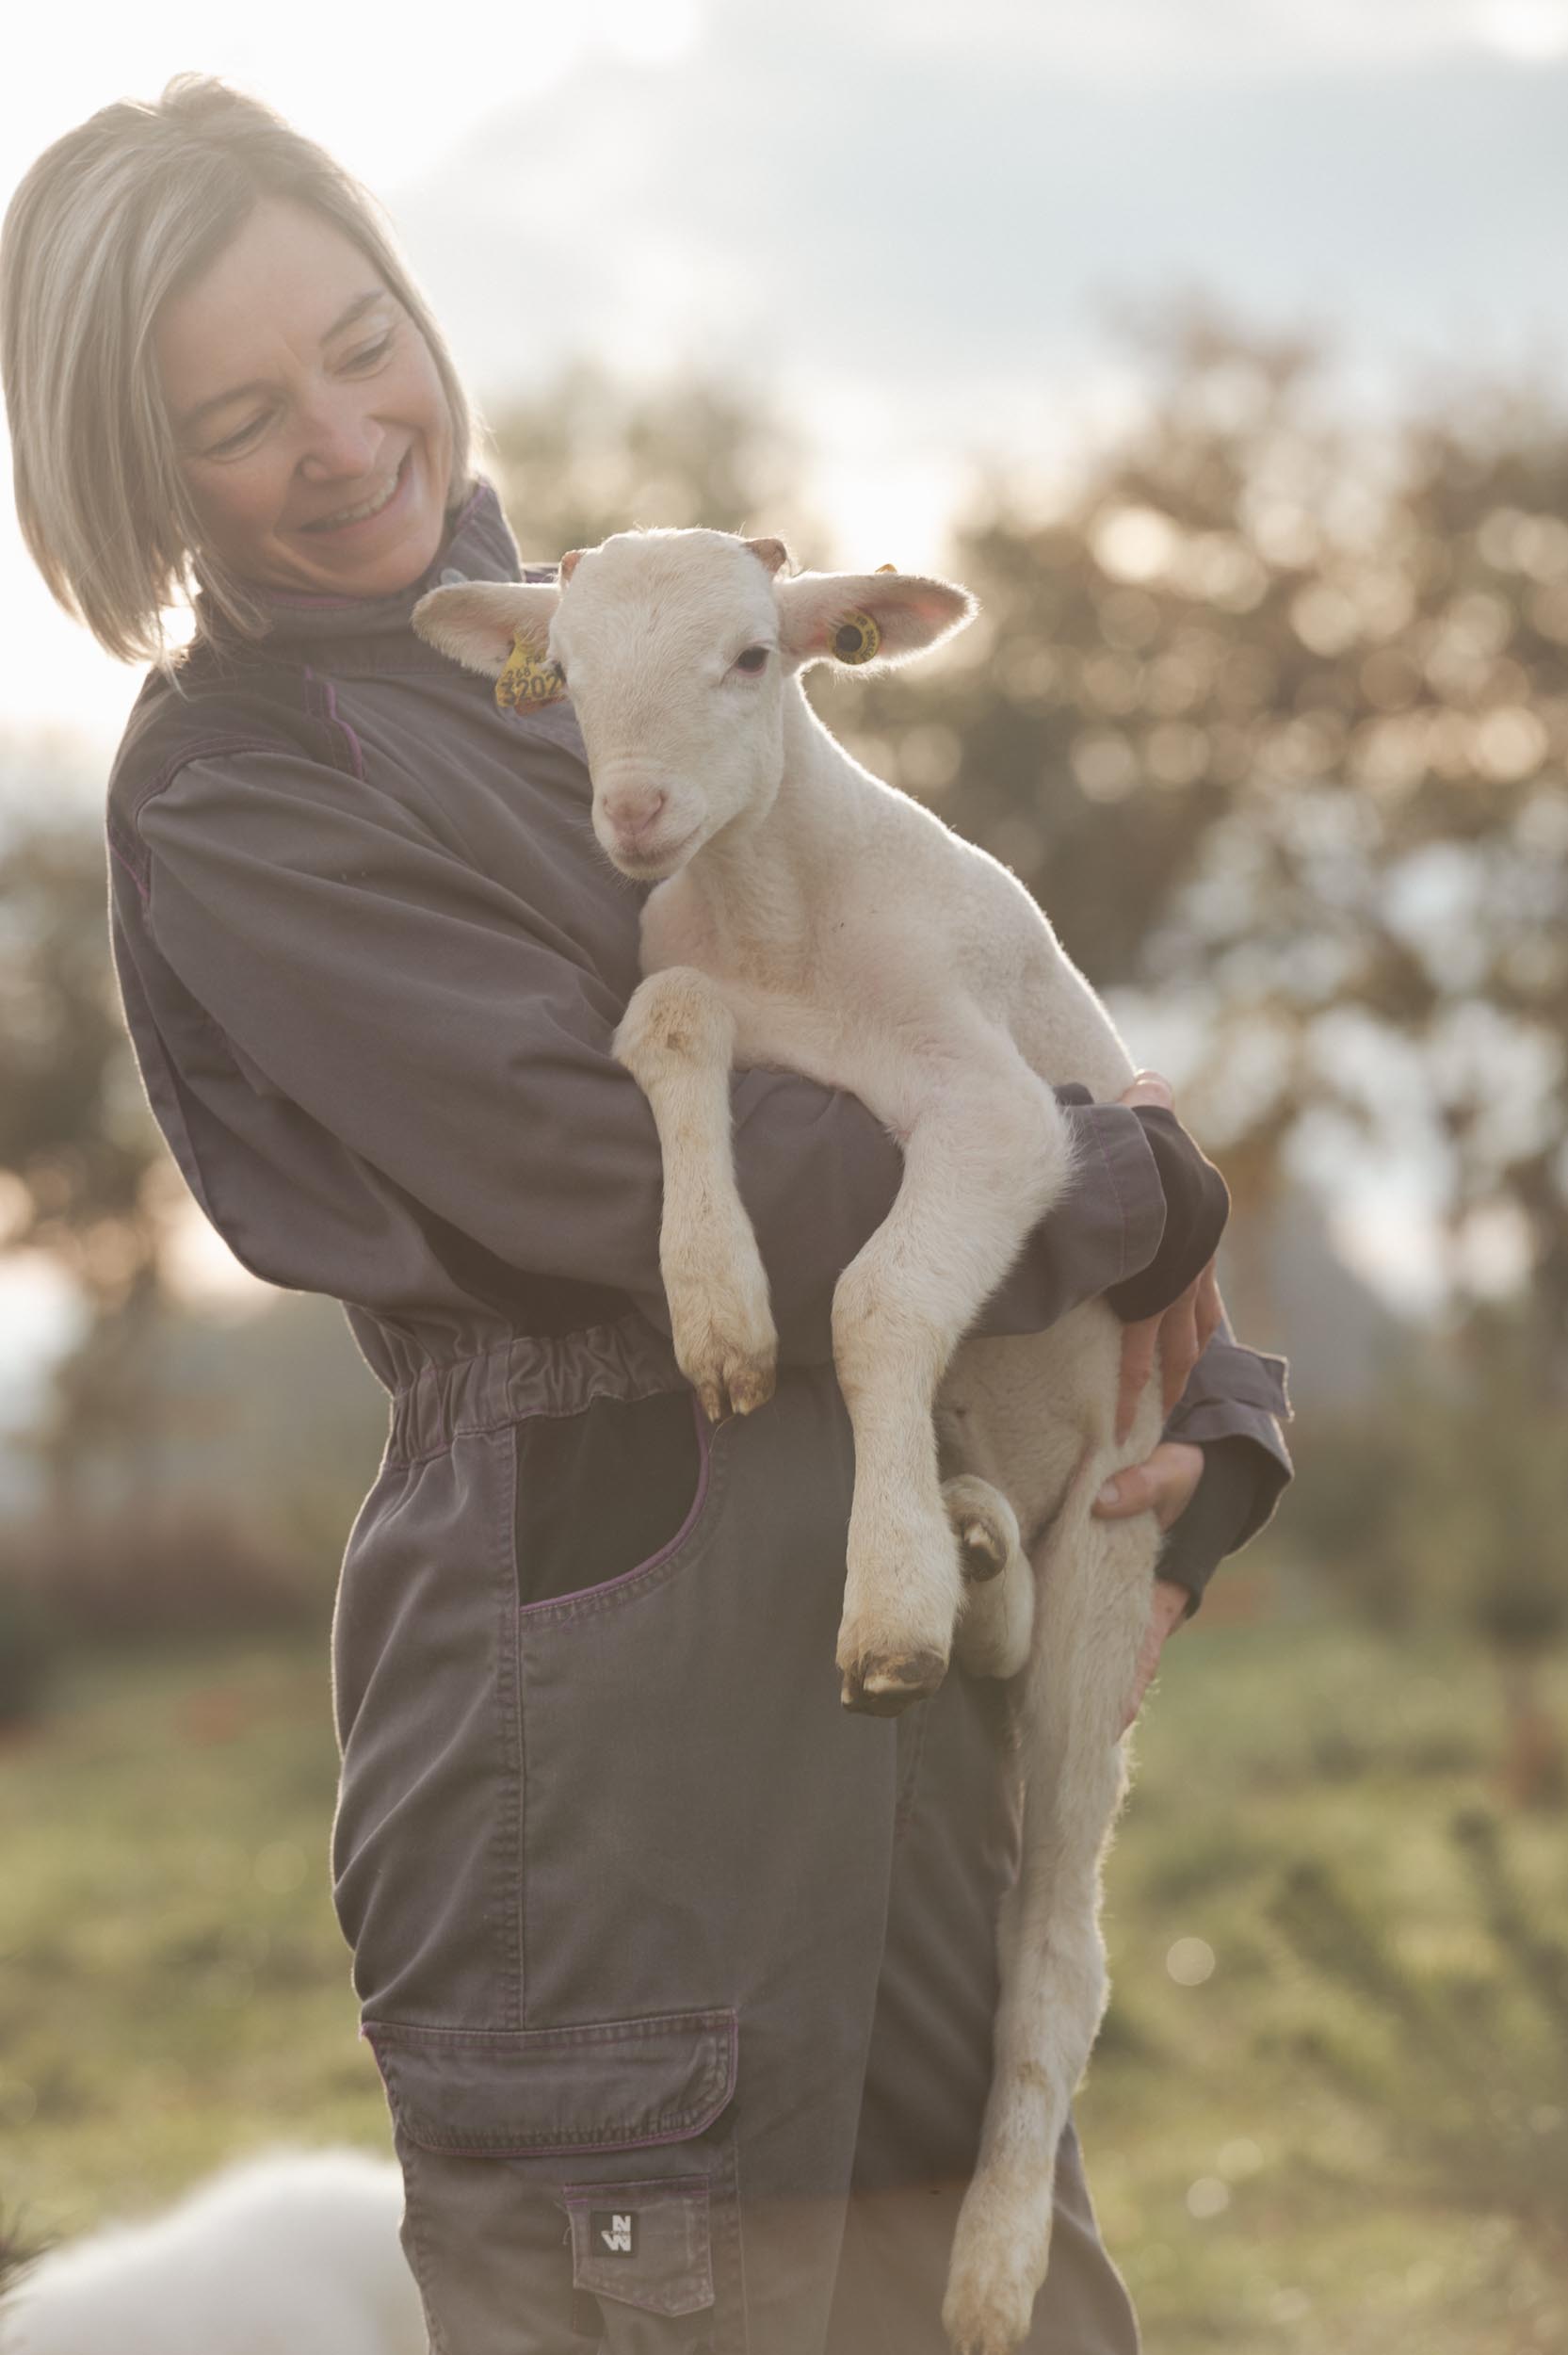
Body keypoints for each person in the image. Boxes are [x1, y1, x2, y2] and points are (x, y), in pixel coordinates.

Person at [1, 78, 1290, 2355]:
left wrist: (1209, 1418)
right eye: (237, 413)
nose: (342, 432)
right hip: (610, 1753)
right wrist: (1119, 1191)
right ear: (140, 472)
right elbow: (605, 1174)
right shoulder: (239, 789)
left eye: (360, 336)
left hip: (892, 1732)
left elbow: (971, 997)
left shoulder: (631, 638)